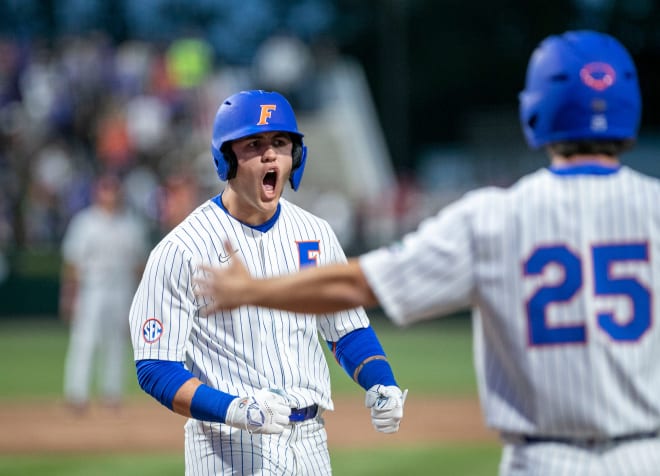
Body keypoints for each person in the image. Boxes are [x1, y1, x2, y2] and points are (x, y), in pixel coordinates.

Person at [194, 31, 660, 476]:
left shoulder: (494, 217)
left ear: (537, 110)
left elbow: (359, 283)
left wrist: (253, 289)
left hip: (546, 459)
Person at [128, 90, 406, 475]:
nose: (270, 154)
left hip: (310, 441)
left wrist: (383, 383)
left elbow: (347, 330)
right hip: (228, 446)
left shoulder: (316, 233)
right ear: (226, 158)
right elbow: (155, 366)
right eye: (254, 144)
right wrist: (233, 409)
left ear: (296, 155)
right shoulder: (182, 249)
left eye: (280, 142)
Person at [60, 172, 149, 413]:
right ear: (97, 193)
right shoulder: (85, 222)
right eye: (105, 189)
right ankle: (76, 394)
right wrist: (69, 295)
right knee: (84, 341)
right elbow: (73, 262)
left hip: (121, 289)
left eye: (113, 189)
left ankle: (112, 394)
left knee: (116, 342)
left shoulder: (131, 224)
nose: (109, 194)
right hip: (92, 288)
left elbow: (139, 265)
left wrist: (143, 297)